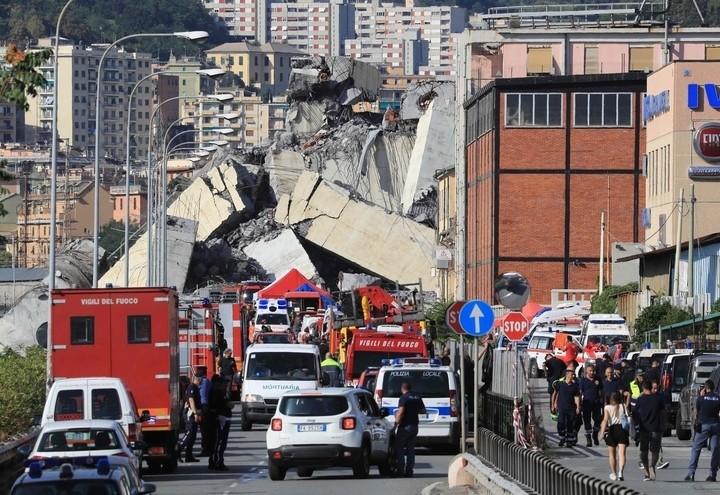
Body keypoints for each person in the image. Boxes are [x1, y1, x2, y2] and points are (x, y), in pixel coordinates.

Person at [685, 379, 720, 482]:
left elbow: (696, 413)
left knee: (696, 449)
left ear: (705, 388)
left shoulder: (701, 399)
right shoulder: (718, 398)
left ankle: (691, 474)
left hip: (704, 426)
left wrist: (701, 396)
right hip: (715, 425)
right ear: (713, 388)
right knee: (715, 450)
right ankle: (712, 475)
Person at [633, 381, 665, 481]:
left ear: (643, 389)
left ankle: (647, 471)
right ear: (651, 388)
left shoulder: (640, 399)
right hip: (656, 428)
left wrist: (637, 423)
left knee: (644, 451)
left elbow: (634, 412)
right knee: (655, 451)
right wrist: (663, 424)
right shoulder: (658, 399)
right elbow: (663, 412)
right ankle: (652, 466)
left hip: (644, 429)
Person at [394, 381, 426, 477]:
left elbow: (401, 412)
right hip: (414, 426)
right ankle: (409, 470)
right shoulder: (417, 397)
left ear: (402, 388)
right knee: (410, 449)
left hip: (405, 426)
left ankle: (400, 470)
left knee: (399, 448)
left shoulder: (403, 398)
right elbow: (423, 411)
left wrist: (396, 424)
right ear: (410, 388)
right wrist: (414, 411)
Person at [599, 391, 630, 481]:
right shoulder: (623, 406)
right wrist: (628, 396)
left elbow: (605, 420)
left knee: (611, 454)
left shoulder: (607, 407)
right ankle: (621, 471)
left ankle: (613, 473)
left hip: (612, 430)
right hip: (622, 430)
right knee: (622, 454)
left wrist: (602, 432)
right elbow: (628, 415)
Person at [552, 368, 581, 447]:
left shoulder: (575, 386)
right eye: (572, 375)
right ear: (567, 375)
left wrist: (578, 407)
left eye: (574, 375)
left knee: (570, 424)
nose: (573, 376)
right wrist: (553, 404)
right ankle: (562, 437)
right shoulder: (560, 384)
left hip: (571, 408)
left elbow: (577, 397)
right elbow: (555, 394)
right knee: (561, 423)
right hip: (561, 407)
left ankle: (569, 441)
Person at [209, 374, 231, 471]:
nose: (225, 385)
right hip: (220, 418)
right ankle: (218, 462)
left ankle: (214, 461)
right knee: (220, 441)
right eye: (224, 383)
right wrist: (227, 405)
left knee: (219, 441)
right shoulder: (217, 392)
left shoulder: (221, 392)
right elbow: (216, 406)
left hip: (223, 418)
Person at [580, 364, 603, 447]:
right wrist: (579, 404)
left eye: (593, 371)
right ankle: (589, 439)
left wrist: (602, 401)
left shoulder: (598, 379)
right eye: (590, 371)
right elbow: (580, 392)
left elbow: (601, 391)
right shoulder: (583, 380)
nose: (592, 372)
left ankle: (595, 434)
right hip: (587, 403)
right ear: (586, 371)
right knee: (587, 421)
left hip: (596, 403)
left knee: (598, 420)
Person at [180, 374, 201, 462]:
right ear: (196, 379)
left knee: (193, 435)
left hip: (193, 413)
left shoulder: (195, 387)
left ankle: (188, 456)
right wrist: (195, 413)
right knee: (189, 432)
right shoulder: (192, 387)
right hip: (190, 413)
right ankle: (179, 449)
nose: (200, 381)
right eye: (199, 379)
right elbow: (191, 400)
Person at [650, 380, 670, 470]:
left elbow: (663, 411)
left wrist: (664, 423)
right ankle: (642, 461)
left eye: (657, 388)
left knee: (657, 444)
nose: (655, 390)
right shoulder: (646, 397)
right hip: (648, 424)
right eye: (653, 388)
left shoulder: (660, 397)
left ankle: (659, 461)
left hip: (657, 424)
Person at [198, 368, 213, 456]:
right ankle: (208, 448)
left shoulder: (203, 382)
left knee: (204, 430)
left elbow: (201, 395)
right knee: (206, 430)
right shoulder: (208, 382)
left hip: (203, 407)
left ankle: (205, 449)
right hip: (207, 407)